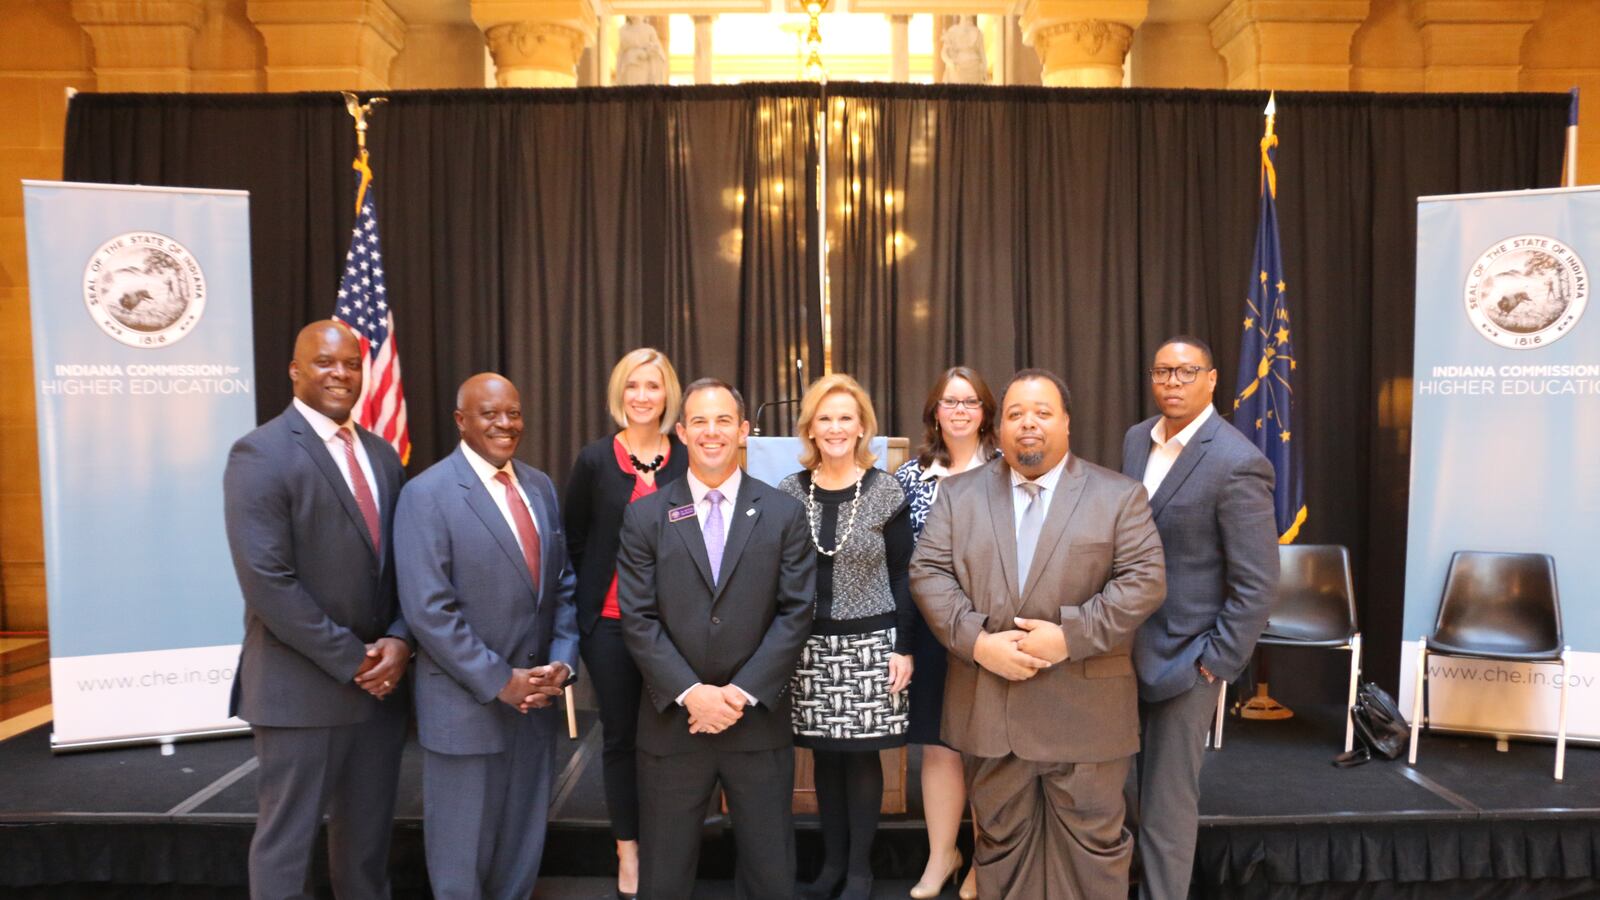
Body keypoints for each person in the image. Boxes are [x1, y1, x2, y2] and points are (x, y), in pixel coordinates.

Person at [910, 368, 1166, 899]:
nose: (1029, 423)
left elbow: (1144, 583)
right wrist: (978, 643)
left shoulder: (1119, 496)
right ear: (997, 428)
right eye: (1015, 413)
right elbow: (928, 574)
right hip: (991, 708)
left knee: (1094, 856)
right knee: (1001, 849)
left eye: (1043, 412)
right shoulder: (958, 497)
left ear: (1067, 423)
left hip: (1087, 718)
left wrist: (1069, 637)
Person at [222, 320, 411, 900]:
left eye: (351, 364)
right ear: (295, 370)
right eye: (325, 363)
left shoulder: (382, 455)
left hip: (379, 693)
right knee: (286, 849)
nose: (340, 374)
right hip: (300, 690)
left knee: (366, 853)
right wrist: (353, 660)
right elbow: (267, 582)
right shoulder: (260, 453)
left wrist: (401, 640)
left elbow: (405, 567)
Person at [616, 377, 816, 900]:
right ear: (681, 432)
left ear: (744, 430)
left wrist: (738, 693)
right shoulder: (645, 516)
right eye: (699, 421)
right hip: (673, 724)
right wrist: (692, 693)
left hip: (756, 723)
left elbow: (796, 613)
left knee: (771, 875)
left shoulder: (784, 514)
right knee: (664, 876)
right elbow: (637, 618)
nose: (712, 432)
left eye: (724, 420)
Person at [394, 373, 579, 900]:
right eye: (490, 414)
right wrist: (501, 681)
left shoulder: (540, 486)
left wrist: (563, 662)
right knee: (460, 864)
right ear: (461, 421)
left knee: (520, 853)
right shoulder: (425, 495)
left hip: (535, 709)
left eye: (513, 413)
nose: (505, 423)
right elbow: (429, 611)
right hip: (466, 710)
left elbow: (563, 583)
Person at [1121, 336, 1278, 900]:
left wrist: (1217, 663)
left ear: (1212, 380)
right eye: (1163, 371)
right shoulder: (1137, 439)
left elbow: (1258, 582)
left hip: (1189, 660)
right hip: (1124, 651)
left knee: (1167, 804)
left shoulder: (1238, 462)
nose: (1172, 382)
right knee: (1117, 794)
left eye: (1186, 372)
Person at [778, 374, 916, 900]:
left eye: (845, 418)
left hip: (872, 644)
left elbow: (904, 574)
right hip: (808, 646)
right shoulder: (791, 491)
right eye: (825, 418)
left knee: (861, 756)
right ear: (810, 428)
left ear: (862, 427)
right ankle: (832, 866)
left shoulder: (886, 491)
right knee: (825, 757)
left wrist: (904, 647)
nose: (835, 427)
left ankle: (860, 870)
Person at [563, 348, 688, 900]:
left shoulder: (688, 457)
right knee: (620, 738)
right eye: (633, 385)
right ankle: (628, 851)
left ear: (668, 396)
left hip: (676, 629)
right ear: (620, 393)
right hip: (610, 627)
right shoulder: (594, 461)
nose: (643, 396)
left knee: (668, 740)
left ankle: (667, 845)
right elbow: (576, 540)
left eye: (653, 386)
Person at [893, 366, 998, 900]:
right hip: (934, 632)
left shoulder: (1008, 473)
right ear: (934, 411)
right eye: (949, 403)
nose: (959, 411)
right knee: (938, 748)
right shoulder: (908, 479)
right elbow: (904, 569)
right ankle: (941, 858)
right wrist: (904, 644)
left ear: (985, 412)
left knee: (985, 751)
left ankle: (984, 862)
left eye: (970, 403)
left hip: (991, 632)